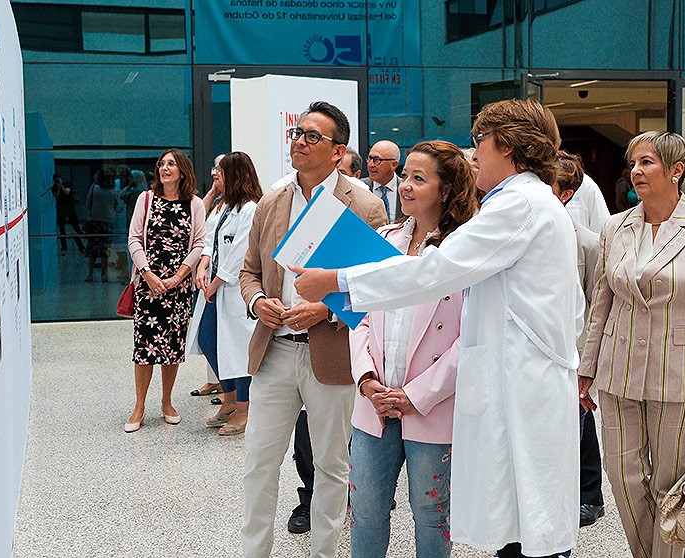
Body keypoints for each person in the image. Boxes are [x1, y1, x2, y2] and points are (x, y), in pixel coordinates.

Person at [292, 99, 583, 558]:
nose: (474, 155)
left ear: (505, 146)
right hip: (523, 385)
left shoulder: (518, 206)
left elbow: (435, 270)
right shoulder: (532, 204)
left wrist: (337, 280)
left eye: (478, 142)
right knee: (525, 522)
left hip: (522, 391)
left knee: (529, 528)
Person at [578, 131, 685, 558]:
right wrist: (586, 368)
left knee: (670, 483)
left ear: (676, 170)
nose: (635, 170)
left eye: (646, 162)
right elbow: (601, 304)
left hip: (682, 373)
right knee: (624, 477)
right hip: (618, 368)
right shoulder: (615, 226)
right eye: (633, 163)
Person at [238, 100, 387, 558]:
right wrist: (258, 300)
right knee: (260, 463)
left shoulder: (364, 205)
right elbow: (249, 272)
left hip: (331, 353)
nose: (299, 141)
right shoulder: (272, 201)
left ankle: (325, 551)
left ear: (338, 151)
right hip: (275, 350)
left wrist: (323, 311)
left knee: (331, 466)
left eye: (311, 136)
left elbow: (379, 287)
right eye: (297, 133)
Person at [349, 140, 477, 558]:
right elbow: (361, 317)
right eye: (405, 175)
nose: (405, 186)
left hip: (434, 405)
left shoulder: (465, 254)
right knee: (365, 509)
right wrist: (367, 380)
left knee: (432, 513)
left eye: (418, 179)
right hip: (375, 402)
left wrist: (415, 396)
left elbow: (471, 338)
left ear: (446, 189)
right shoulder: (382, 240)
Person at [123, 149, 205, 432]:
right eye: (161, 164)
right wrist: (147, 274)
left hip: (178, 288)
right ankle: (139, 406)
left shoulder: (194, 204)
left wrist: (179, 276)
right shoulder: (145, 199)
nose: (164, 168)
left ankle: (167, 402)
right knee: (144, 348)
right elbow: (134, 239)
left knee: (172, 348)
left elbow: (198, 244)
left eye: (171, 164)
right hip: (148, 286)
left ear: (183, 171)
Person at [186, 151, 263, 436]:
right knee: (209, 340)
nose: (214, 173)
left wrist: (216, 282)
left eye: (218, 170)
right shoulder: (224, 206)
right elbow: (209, 238)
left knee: (237, 349)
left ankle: (244, 407)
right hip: (214, 285)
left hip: (232, 288)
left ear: (235, 174)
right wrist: (203, 264)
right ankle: (229, 398)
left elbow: (240, 254)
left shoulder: (251, 209)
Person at [552, 151, 605, 528]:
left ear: (567, 193)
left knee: (581, 421)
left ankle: (590, 494)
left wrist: (589, 361)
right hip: (545, 346)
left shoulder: (586, 242)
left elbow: (597, 304)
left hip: (576, 349)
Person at [190, 154, 227, 399]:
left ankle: (230, 389)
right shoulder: (218, 203)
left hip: (221, 282)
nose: (213, 173)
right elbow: (196, 220)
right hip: (208, 277)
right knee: (208, 335)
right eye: (213, 167)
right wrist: (213, 192)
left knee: (214, 337)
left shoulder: (242, 207)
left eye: (219, 169)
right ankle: (217, 381)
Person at [83, 169, 118, 282]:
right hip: (108, 221)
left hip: (94, 221)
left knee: (92, 249)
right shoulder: (114, 190)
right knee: (105, 250)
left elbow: (88, 203)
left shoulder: (94, 189)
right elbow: (116, 206)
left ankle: (90, 274)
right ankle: (104, 275)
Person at [362, 140, 402, 222]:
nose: (370, 165)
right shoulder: (360, 187)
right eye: (369, 159)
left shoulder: (406, 189)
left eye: (377, 160)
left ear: (393, 165)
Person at [51, 174, 85, 256]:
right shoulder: (53, 188)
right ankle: (64, 248)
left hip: (70, 208)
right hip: (61, 209)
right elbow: (57, 196)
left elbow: (67, 192)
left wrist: (61, 185)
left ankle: (81, 248)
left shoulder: (66, 184)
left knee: (76, 228)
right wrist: (58, 187)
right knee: (62, 229)